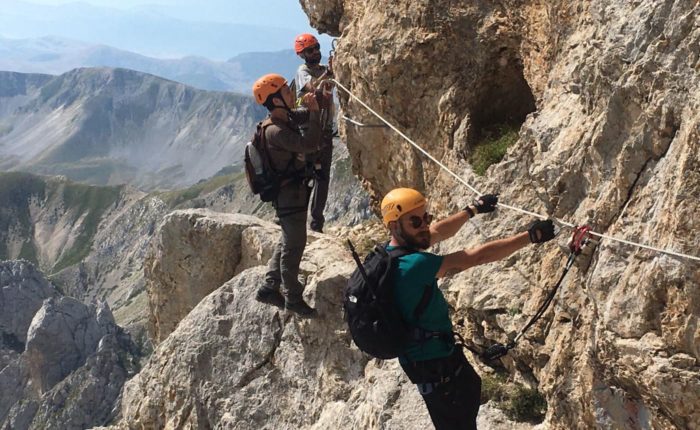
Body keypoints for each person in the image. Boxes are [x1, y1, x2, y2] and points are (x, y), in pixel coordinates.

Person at [381, 187, 556, 429]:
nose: (424, 225)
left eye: (426, 217)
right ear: (394, 226)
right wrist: (530, 237)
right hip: (437, 368)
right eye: (415, 220)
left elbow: (437, 232)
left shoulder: (390, 254)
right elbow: (474, 257)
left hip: (429, 362)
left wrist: (472, 210)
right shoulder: (414, 265)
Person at [252, 73, 325, 317]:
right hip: (290, 197)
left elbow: (305, 113)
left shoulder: (283, 119)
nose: (291, 93)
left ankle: (269, 286)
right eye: (285, 92)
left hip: (291, 195)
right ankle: (293, 297)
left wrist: (316, 98)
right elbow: (310, 143)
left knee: (287, 238)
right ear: (274, 100)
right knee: (294, 245)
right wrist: (314, 112)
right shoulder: (276, 132)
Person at [293, 33, 335, 233]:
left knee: (322, 177)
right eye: (310, 50)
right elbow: (313, 89)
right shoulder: (303, 71)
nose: (316, 52)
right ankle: (298, 218)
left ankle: (317, 223)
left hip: (324, 129)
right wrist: (330, 73)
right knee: (307, 175)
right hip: (309, 130)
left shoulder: (320, 70)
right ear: (302, 54)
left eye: (317, 47)